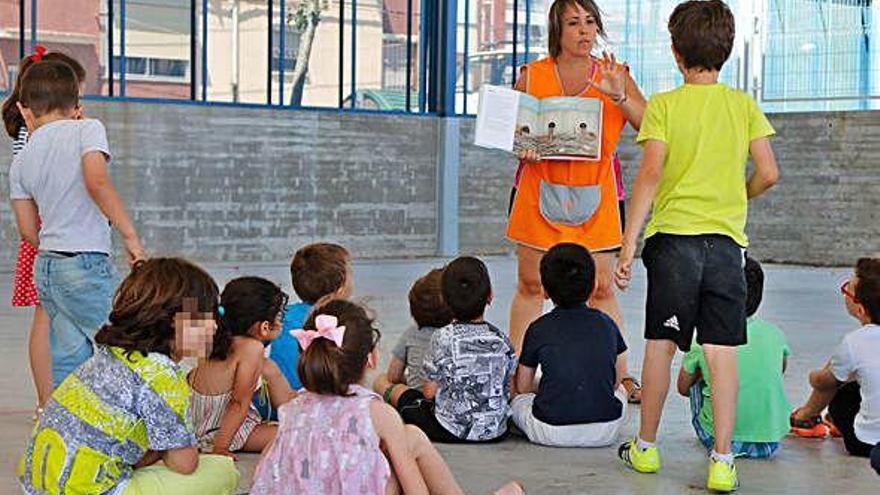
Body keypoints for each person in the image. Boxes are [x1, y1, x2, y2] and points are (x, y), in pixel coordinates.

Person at [614, 1, 779, 491]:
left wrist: (627, 246)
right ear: (726, 49)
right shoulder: (743, 104)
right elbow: (768, 172)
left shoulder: (664, 105)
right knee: (721, 350)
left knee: (661, 346)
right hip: (726, 246)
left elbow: (648, 176)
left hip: (673, 245)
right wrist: (737, 198)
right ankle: (723, 461)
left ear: (675, 51)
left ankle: (645, 449)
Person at [507, 0, 645, 402]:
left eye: (589, 22)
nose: (584, 30)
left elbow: (649, 122)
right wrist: (522, 148)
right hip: (538, 194)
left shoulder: (614, 74)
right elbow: (513, 133)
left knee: (601, 289)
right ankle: (519, 377)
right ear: (558, 30)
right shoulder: (532, 75)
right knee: (531, 286)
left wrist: (619, 96)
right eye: (573, 23)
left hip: (596, 198)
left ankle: (621, 375)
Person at [250, 299, 524, 495]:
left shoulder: (292, 409)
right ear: (371, 358)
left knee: (410, 437)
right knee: (410, 440)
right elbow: (414, 488)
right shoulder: (377, 413)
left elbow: (266, 474)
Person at [17, 258, 240, 494]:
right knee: (221, 470)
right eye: (206, 315)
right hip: (93, 490)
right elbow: (185, 464)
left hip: (36, 488)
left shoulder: (108, 356)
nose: (214, 326)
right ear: (172, 321)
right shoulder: (161, 375)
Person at [9, 59, 145, 390]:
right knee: (126, 347)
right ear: (77, 105)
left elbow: (28, 230)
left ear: (25, 110)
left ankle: (65, 431)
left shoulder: (21, 158)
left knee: (69, 363)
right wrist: (131, 237)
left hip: (47, 268)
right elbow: (97, 182)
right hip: (85, 263)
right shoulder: (88, 128)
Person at [2, 46, 86, 409]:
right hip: (51, 227)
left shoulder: (32, 130)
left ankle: (48, 400)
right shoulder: (41, 134)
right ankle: (49, 400)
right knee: (49, 315)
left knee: (50, 316)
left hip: (46, 227)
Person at [512, 243, 628, 447]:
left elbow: (523, 386)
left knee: (518, 400)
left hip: (550, 430)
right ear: (593, 287)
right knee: (622, 393)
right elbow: (615, 381)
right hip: (606, 431)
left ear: (545, 291)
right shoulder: (607, 324)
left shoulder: (538, 328)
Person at [677, 256, 791, 458]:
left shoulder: (704, 336)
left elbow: (683, 388)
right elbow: (779, 371)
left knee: (699, 375)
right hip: (771, 442)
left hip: (717, 439)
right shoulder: (776, 334)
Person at [189, 277, 296, 456]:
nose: (282, 321)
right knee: (293, 435)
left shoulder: (215, 338)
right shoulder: (251, 349)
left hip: (196, 422)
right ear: (264, 327)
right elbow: (239, 402)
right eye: (280, 315)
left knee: (269, 368)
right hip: (220, 431)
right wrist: (221, 448)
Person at [790, 257, 880, 459]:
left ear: (860, 309)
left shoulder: (855, 342)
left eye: (847, 290)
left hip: (866, 444)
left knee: (840, 395)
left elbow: (825, 382)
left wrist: (813, 376)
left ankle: (806, 417)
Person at [256, 242, 352, 419]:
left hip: (268, 408)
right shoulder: (339, 322)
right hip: (312, 413)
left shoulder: (279, 317)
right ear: (340, 287)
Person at [373, 268, 453, 397]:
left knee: (380, 381)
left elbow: (393, 376)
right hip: (451, 405)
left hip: (416, 404)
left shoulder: (411, 333)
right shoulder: (459, 337)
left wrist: (410, 380)